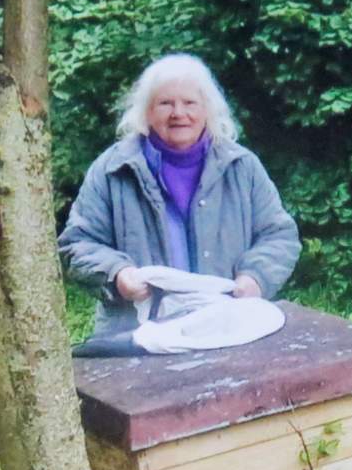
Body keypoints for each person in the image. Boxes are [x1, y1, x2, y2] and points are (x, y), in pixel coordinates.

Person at [58, 53, 301, 337]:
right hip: (137, 334)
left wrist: (255, 278)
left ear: (208, 109)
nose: (178, 113)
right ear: (146, 112)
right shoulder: (112, 169)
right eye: (165, 103)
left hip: (228, 327)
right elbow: (77, 243)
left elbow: (279, 236)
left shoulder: (242, 166)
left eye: (189, 103)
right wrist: (118, 274)